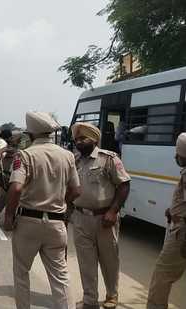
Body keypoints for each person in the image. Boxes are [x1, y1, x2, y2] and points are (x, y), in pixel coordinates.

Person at [3, 111, 81, 309]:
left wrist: (9, 216)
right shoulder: (68, 156)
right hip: (56, 223)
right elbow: (76, 190)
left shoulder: (26, 155)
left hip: (28, 221)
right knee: (60, 276)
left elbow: (16, 187)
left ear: (30, 134)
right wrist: (63, 207)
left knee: (21, 272)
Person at [71, 122, 131, 309]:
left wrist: (113, 211)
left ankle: (112, 295)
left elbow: (124, 185)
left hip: (104, 219)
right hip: (80, 218)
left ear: (94, 139)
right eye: (77, 139)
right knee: (86, 262)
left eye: (83, 138)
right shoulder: (75, 160)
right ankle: (89, 299)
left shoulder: (109, 159)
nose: (79, 142)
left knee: (109, 260)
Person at [146, 133, 186, 309]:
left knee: (161, 276)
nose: (176, 157)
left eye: (178, 153)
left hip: (181, 233)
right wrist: (173, 210)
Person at [0, 129, 22, 227]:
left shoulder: (13, 147)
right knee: (2, 197)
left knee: (8, 197)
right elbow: (2, 152)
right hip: (6, 176)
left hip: (13, 176)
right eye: (11, 137)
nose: (13, 139)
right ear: (7, 138)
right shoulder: (5, 147)